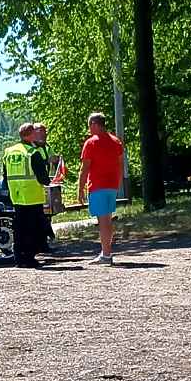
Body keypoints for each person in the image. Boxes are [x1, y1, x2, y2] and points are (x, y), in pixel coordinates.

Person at [78, 112, 125, 266]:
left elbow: (84, 169)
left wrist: (80, 189)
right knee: (107, 220)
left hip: (98, 185)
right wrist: (118, 183)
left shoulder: (91, 143)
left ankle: (106, 254)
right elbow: (120, 164)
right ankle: (105, 252)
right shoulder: (116, 141)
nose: (89, 129)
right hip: (112, 186)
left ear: (94, 124)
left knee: (103, 221)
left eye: (89, 125)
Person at [2, 123, 50, 268]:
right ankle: (29, 258)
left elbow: (5, 174)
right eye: (34, 133)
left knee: (19, 228)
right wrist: (49, 181)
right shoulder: (32, 152)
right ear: (30, 135)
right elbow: (42, 176)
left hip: (16, 195)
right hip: (32, 195)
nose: (37, 135)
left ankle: (18, 258)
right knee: (33, 228)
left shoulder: (9, 152)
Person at [32, 123, 56, 252]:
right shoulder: (32, 148)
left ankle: (44, 243)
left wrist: (56, 160)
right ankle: (42, 243)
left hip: (44, 185)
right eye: (41, 131)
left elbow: (53, 159)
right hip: (33, 187)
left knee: (46, 215)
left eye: (45, 131)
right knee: (39, 216)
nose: (44, 134)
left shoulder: (46, 147)